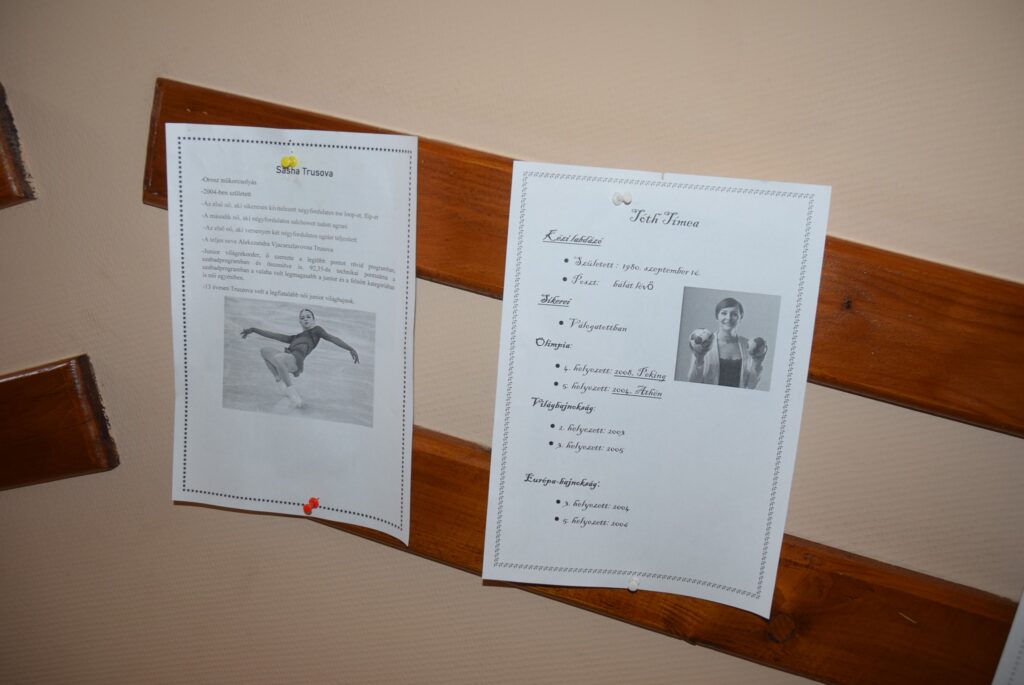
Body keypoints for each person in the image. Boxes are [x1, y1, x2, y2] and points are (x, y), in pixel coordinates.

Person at [241, 308, 359, 408]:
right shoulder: (295, 337)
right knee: (264, 351)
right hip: (287, 358)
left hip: (296, 362)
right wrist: (253, 330)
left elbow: (332, 338)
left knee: (278, 358)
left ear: (313, 320)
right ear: (300, 321)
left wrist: (350, 348)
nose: (305, 319)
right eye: (302, 318)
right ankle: (279, 381)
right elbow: (274, 335)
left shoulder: (316, 331)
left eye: (308, 317)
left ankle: (293, 395)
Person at [687, 297, 767, 389]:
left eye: (734, 314)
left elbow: (751, 386)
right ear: (717, 316)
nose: (728, 318)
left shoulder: (749, 346)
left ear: (740, 317)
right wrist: (699, 359)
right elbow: (693, 382)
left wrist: (758, 363)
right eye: (724, 313)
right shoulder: (704, 343)